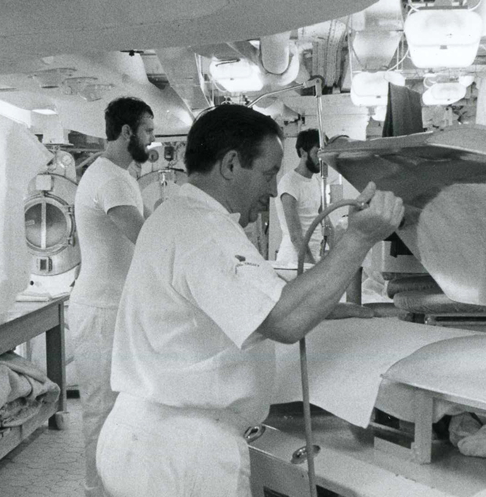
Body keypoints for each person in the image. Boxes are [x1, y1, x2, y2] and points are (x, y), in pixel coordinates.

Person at [96, 105, 404, 496]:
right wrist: (359, 240)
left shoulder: (175, 215)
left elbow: (255, 295)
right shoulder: (204, 228)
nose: (273, 190)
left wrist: (332, 308)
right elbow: (284, 320)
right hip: (182, 452)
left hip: (145, 435)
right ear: (230, 165)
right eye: (268, 173)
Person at [69, 96, 154, 497]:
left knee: (120, 410)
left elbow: (152, 228)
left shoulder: (120, 176)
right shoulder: (110, 180)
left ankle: (116, 487)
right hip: (102, 310)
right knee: (101, 411)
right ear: (126, 132)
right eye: (148, 131)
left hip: (113, 307)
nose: (151, 139)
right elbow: (148, 239)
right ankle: (96, 490)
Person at [275, 128, 325, 266]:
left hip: (313, 254)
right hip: (294, 258)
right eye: (317, 153)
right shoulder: (289, 183)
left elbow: (323, 217)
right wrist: (311, 265)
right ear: (303, 152)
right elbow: (296, 237)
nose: (321, 159)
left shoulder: (316, 181)